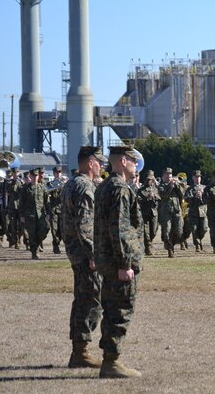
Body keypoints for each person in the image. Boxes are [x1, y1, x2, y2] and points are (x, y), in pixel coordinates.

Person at [94, 145, 143, 378]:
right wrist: (125, 264)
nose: (136, 165)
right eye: (134, 161)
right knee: (120, 310)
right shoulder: (119, 189)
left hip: (107, 259)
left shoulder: (104, 186)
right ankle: (112, 362)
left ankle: (110, 360)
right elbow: (120, 229)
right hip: (118, 262)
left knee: (111, 308)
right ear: (124, 161)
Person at [61, 146, 107, 369]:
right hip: (84, 253)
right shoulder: (84, 187)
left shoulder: (71, 183)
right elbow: (84, 225)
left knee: (82, 298)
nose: (101, 166)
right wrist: (93, 254)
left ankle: (79, 350)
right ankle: (81, 351)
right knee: (91, 300)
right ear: (90, 163)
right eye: (99, 162)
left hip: (75, 251)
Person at [20, 167, 49, 259]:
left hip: (41, 215)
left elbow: (46, 202)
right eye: (33, 175)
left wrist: (48, 213)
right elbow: (21, 203)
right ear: (30, 176)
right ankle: (34, 252)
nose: (35, 177)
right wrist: (22, 215)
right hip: (30, 215)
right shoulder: (25, 189)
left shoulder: (43, 188)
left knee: (44, 230)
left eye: (36, 175)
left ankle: (37, 244)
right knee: (32, 234)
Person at [158, 167, 185, 257]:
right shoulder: (161, 186)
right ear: (163, 176)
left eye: (170, 175)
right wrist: (170, 187)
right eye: (167, 175)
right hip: (166, 212)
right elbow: (163, 195)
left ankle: (172, 244)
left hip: (177, 211)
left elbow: (182, 195)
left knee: (179, 231)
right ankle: (170, 249)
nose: (169, 177)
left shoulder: (176, 185)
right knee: (167, 231)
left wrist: (177, 185)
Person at [184, 170, 208, 252]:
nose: (198, 178)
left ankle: (199, 239)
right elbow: (186, 199)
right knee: (194, 229)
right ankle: (197, 244)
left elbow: (209, 199)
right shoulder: (189, 189)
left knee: (204, 228)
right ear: (193, 178)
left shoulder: (205, 188)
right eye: (196, 177)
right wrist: (195, 197)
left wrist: (202, 196)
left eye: (199, 177)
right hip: (193, 212)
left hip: (203, 212)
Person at [137, 170, 160, 256]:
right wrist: (147, 198)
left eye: (151, 179)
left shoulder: (155, 189)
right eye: (148, 179)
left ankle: (149, 243)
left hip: (154, 212)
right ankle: (148, 247)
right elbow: (138, 200)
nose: (149, 181)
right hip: (145, 213)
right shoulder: (141, 190)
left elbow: (160, 198)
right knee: (146, 232)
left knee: (153, 231)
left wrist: (154, 196)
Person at [47, 166, 66, 254]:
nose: (58, 174)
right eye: (56, 172)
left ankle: (64, 246)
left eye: (59, 172)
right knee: (54, 229)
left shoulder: (65, 183)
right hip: (53, 209)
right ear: (54, 174)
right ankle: (56, 246)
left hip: (63, 209)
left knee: (63, 229)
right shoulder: (50, 184)